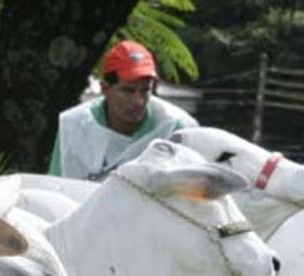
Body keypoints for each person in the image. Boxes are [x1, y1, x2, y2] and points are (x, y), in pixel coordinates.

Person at [48, 40, 198, 180]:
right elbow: (55, 187)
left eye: (145, 90)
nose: (138, 101)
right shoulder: (73, 125)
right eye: (128, 90)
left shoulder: (177, 127)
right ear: (105, 89)